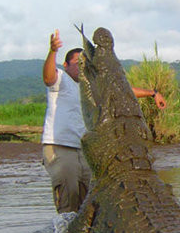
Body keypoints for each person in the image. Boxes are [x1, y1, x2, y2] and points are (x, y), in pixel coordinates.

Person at [41, 28, 166, 213]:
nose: (81, 66)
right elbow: (48, 77)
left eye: (84, 62)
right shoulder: (61, 79)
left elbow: (122, 91)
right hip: (60, 146)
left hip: (85, 149)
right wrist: (52, 51)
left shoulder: (90, 85)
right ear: (66, 65)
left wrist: (153, 93)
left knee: (87, 202)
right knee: (69, 195)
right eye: (77, 63)